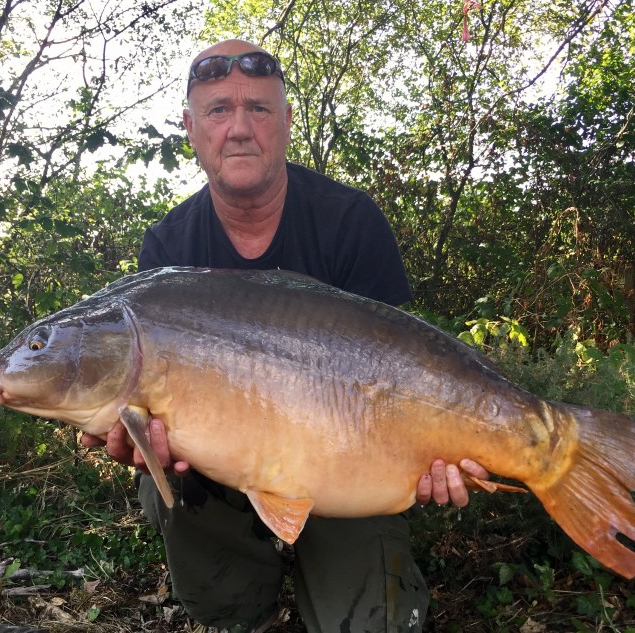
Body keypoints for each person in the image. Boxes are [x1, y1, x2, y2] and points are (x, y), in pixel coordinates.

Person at [83, 39, 489, 633]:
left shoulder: (349, 220)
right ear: (191, 129)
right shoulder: (169, 249)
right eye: (220, 110)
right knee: (184, 523)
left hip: (351, 464)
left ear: (287, 123)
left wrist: (431, 457)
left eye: (260, 110)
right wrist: (142, 446)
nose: (240, 129)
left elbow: (407, 373)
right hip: (220, 477)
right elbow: (146, 425)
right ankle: (241, 606)